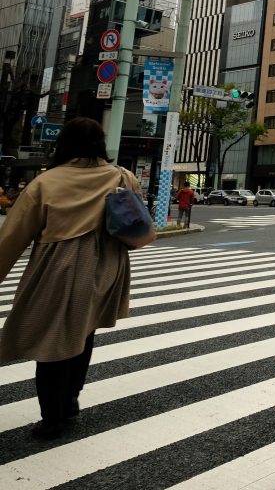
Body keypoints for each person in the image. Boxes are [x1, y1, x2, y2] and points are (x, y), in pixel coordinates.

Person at [0, 117, 141, 440]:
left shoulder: (46, 182)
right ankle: (71, 399)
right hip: (107, 268)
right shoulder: (122, 177)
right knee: (83, 332)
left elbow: (12, 237)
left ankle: (52, 417)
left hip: (59, 268)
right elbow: (135, 221)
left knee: (52, 341)